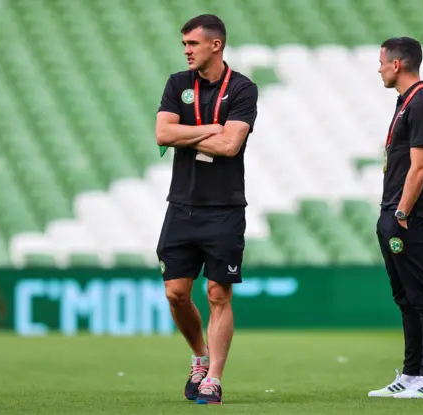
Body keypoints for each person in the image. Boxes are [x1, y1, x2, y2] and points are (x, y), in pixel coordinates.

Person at [154, 14, 258, 405]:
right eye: (184, 45)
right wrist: (213, 129)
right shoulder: (178, 84)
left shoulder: (244, 89)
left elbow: (231, 146)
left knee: (218, 293)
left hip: (225, 209)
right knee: (176, 294)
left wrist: (190, 135)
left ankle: (213, 378)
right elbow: (162, 133)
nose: (186, 51)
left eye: (192, 44)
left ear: (215, 45)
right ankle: (199, 355)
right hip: (181, 206)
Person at [369, 37, 423, 399]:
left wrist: (401, 212)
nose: (380, 67)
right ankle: (412, 374)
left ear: (397, 65)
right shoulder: (407, 103)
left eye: (382, 61)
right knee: (405, 298)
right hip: (394, 212)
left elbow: (420, 168)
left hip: (408, 215)